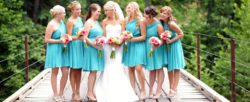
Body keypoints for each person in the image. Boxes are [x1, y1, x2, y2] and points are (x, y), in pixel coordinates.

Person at [95, 1, 138, 102]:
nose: (105, 12)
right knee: (108, 67)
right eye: (104, 10)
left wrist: (119, 42)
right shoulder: (104, 22)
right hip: (108, 48)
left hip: (119, 47)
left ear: (112, 10)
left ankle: (120, 91)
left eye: (106, 10)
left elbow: (123, 34)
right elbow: (104, 36)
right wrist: (108, 42)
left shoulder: (121, 21)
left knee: (118, 67)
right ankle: (106, 91)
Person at [122, 1, 146, 100]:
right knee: (130, 68)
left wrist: (132, 38)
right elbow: (122, 33)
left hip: (139, 45)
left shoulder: (141, 20)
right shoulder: (125, 20)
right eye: (128, 7)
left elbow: (144, 36)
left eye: (131, 7)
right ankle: (132, 90)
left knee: (138, 68)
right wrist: (124, 37)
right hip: (129, 46)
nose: (128, 9)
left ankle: (143, 90)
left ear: (136, 9)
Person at [44, 5, 69, 102]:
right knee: (55, 72)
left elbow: (63, 34)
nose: (65, 14)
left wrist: (67, 38)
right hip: (54, 49)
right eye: (63, 13)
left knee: (65, 71)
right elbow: (46, 39)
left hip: (63, 49)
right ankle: (55, 94)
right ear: (58, 14)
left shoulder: (62, 22)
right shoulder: (51, 24)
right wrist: (59, 41)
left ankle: (61, 93)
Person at [160, 6, 185, 98]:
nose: (163, 14)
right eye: (162, 12)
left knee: (176, 67)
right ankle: (171, 87)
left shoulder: (171, 24)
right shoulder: (162, 22)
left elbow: (181, 33)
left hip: (174, 45)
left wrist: (171, 41)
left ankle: (174, 89)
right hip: (167, 46)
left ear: (169, 15)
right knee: (170, 67)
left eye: (165, 13)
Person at [82, 3, 104, 101]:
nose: (99, 13)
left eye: (99, 11)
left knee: (95, 71)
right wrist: (94, 45)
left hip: (97, 48)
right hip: (91, 48)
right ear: (92, 11)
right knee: (93, 71)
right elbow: (85, 37)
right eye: (98, 11)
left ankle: (91, 91)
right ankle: (89, 93)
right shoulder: (89, 22)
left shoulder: (97, 22)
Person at [142, 6, 165, 99]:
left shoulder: (158, 25)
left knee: (159, 68)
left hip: (157, 49)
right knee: (152, 69)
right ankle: (150, 90)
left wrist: (157, 45)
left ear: (150, 15)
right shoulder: (145, 22)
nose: (144, 16)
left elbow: (162, 39)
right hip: (149, 48)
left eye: (145, 14)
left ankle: (158, 90)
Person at [66, 1, 84, 101]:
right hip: (74, 46)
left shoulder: (80, 19)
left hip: (80, 45)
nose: (79, 11)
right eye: (77, 9)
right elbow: (69, 37)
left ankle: (78, 91)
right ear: (72, 10)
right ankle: (74, 93)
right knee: (73, 69)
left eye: (80, 9)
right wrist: (78, 37)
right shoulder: (70, 21)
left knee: (79, 69)